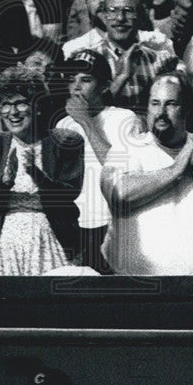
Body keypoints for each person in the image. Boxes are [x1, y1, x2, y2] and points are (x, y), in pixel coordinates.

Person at [101, 73, 193, 274]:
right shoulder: (126, 148)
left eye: (171, 104)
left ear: (188, 110)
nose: (161, 112)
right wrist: (177, 168)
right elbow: (118, 195)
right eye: (155, 103)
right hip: (140, 288)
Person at [0, 66, 85, 275]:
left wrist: (38, 176)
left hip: (51, 241)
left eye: (21, 103)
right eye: (5, 104)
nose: (13, 112)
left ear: (37, 106)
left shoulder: (64, 142)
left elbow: (68, 195)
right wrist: (3, 183)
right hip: (1, 244)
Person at [54, 51, 142, 273]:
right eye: (72, 80)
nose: (76, 87)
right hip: (75, 227)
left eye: (85, 80)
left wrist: (85, 121)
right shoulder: (64, 123)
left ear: (104, 86)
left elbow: (119, 170)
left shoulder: (124, 118)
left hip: (111, 222)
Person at [90, 0, 177, 116]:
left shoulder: (158, 60)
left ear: (141, 15)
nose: (120, 18)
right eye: (113, 11)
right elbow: (90, 113)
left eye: (129, 10)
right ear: (104, 15)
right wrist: (123, 76)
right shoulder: (91, 60)